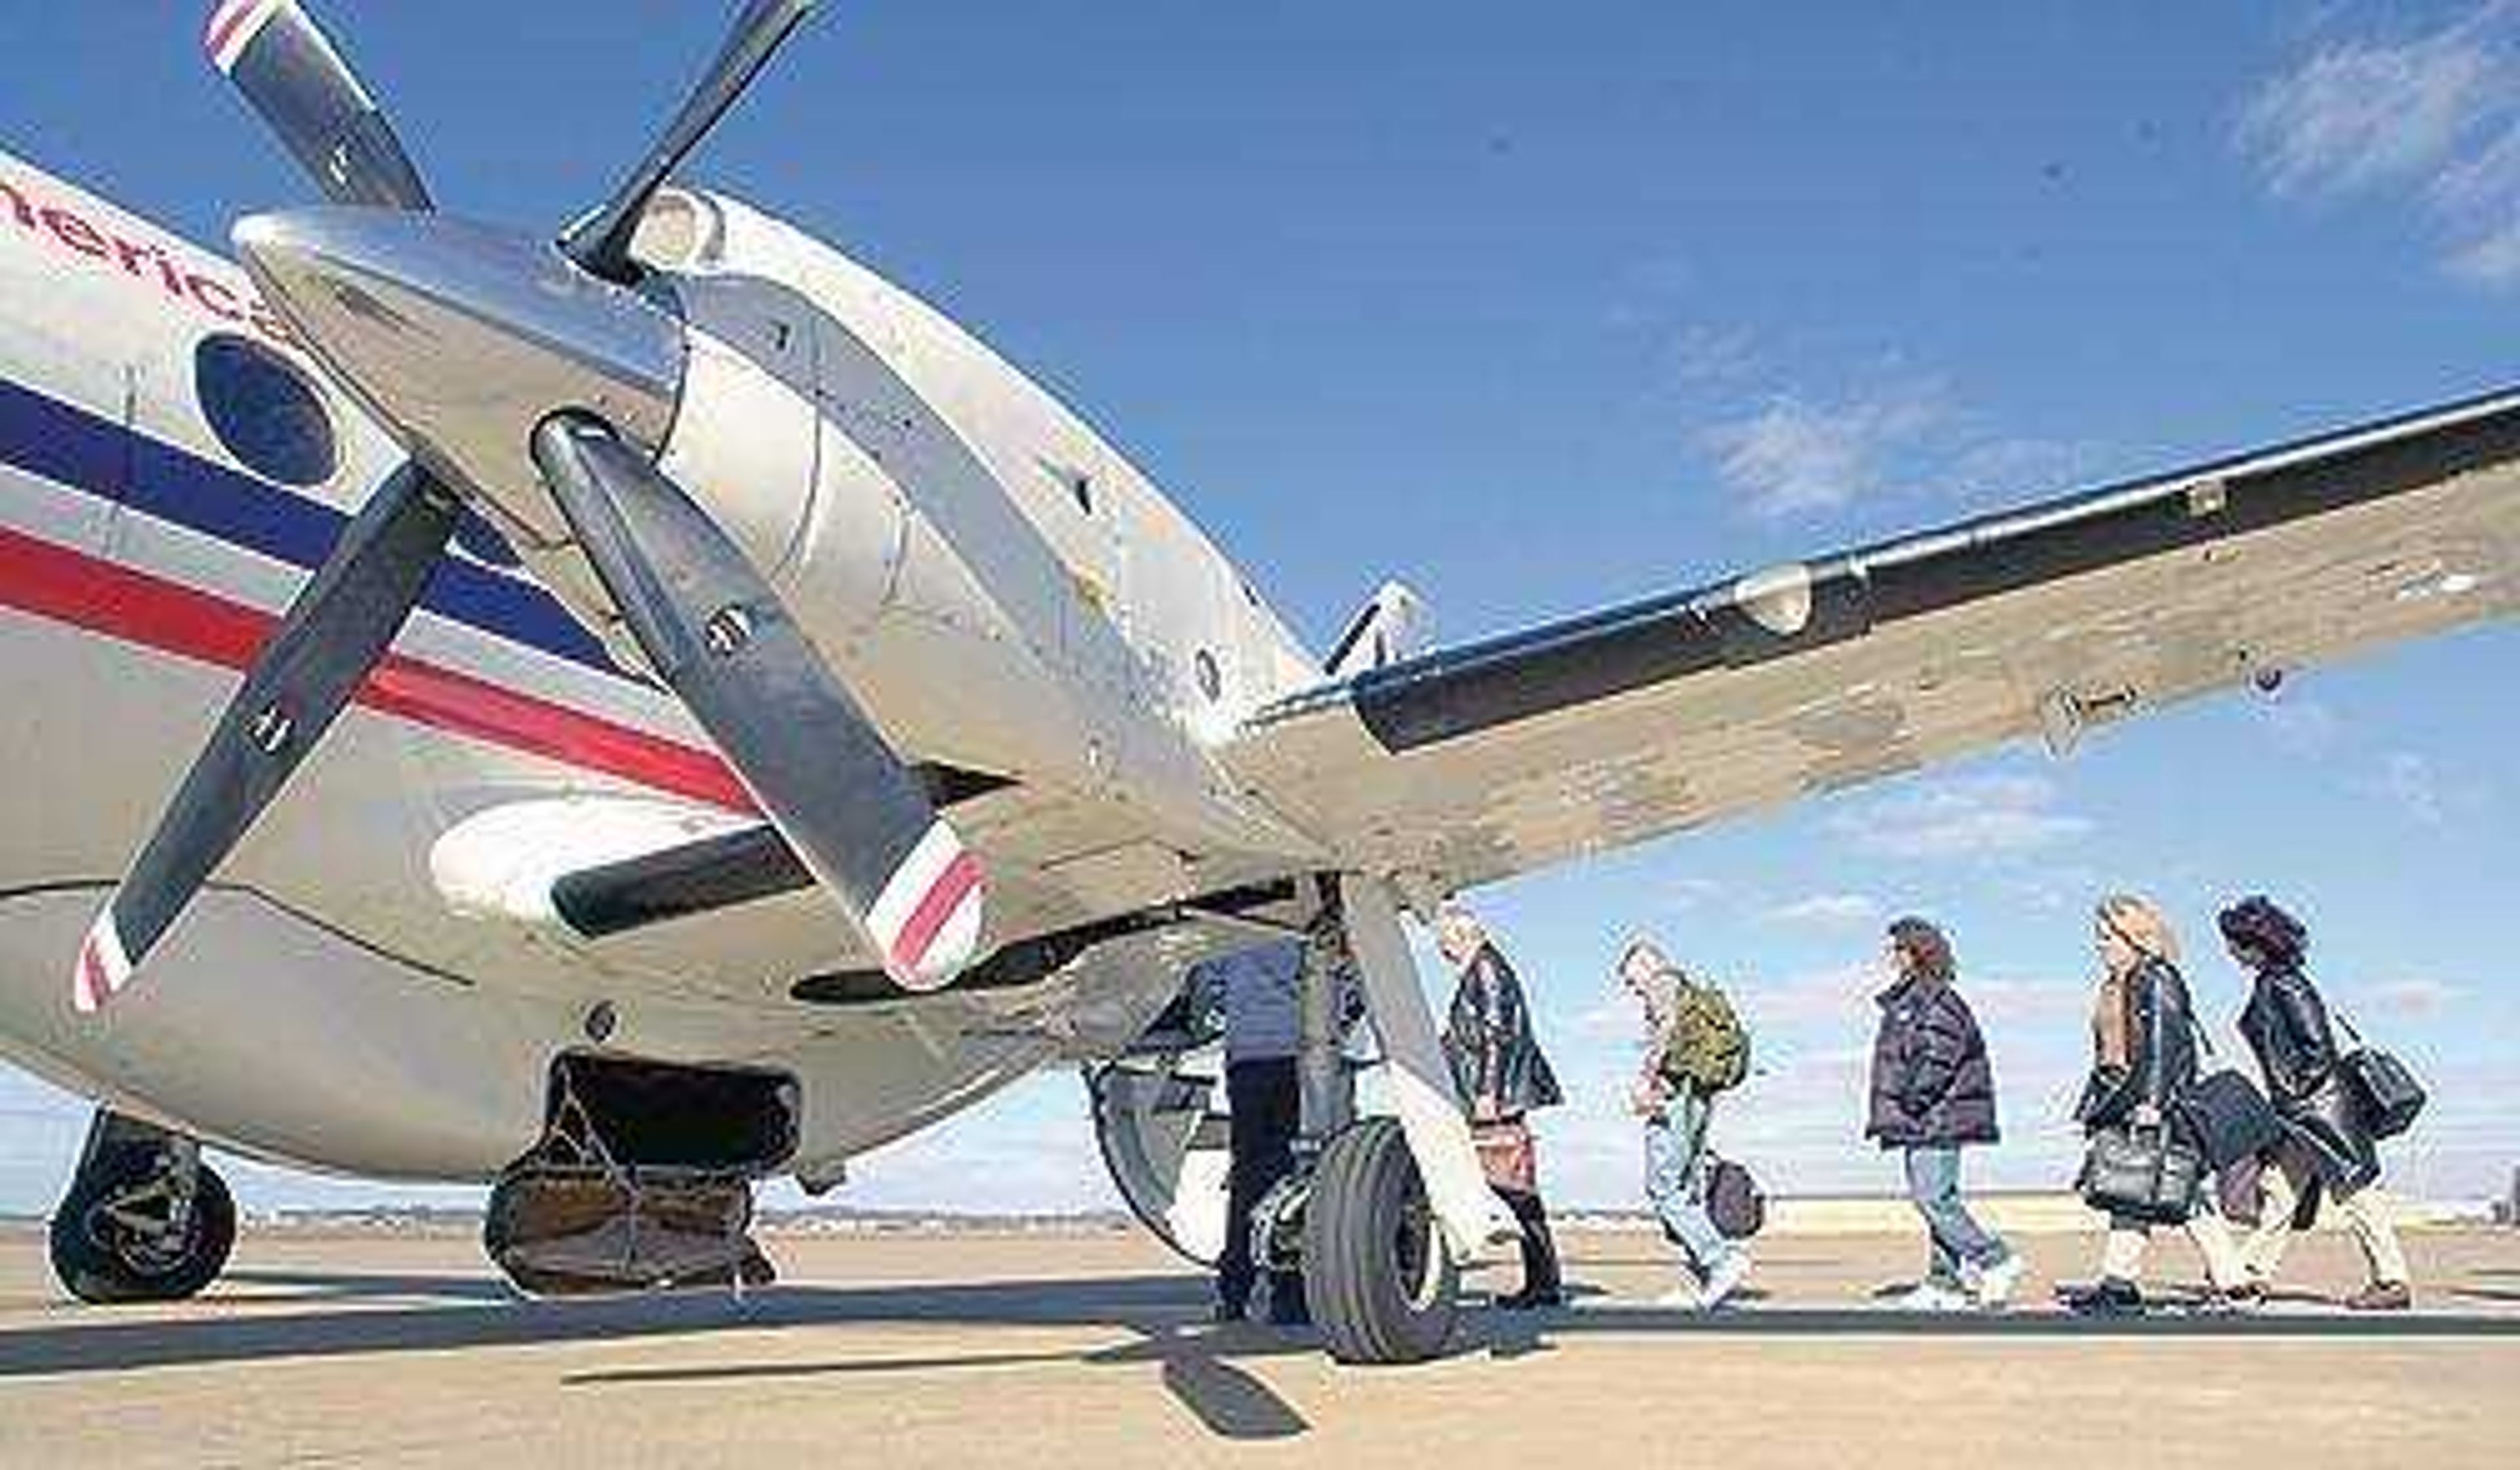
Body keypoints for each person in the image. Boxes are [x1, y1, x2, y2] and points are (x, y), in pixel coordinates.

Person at [2218, 896, 2414, 1311]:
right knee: (2279, 1190)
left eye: (2234, 943)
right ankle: (2251, 1272)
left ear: (2255, 944)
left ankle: (2392, 1280)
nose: (2230, 951)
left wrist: (2291, 1094)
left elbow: (2317, 1049)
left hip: (2319, 1111)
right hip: (2303, 1112)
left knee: (2357, 1193)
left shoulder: (2286, 985)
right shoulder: (2273, 982)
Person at [2061, 894, 2251, 1316]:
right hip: (2122, 1097)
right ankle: (2129, 1281)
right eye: (2099, 936)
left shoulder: (2156, 977)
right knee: (2139, 1187)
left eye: (2108, 936)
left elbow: (2166, 1044)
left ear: (2135, 937)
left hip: (2151, 1100)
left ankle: (2228, 1281)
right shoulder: (2117, 983)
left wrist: (2152, 1102)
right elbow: (2110, 1050)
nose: (2100, 945)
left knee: (2160, 1184)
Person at [1865, 917, 2026, 1311]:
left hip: (1937, 1116)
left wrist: (1912, 1101)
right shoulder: (1910, 998)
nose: (1890, 955)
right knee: (1938, 1200)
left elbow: (1938, 1056)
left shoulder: (1935, 999)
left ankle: (1996, 1259)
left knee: (1933, 1199)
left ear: (1916, 951)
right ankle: (1945, 1284)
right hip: (1925, 1116)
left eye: (1897, 947)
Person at [1436, 903, 1566, 1310]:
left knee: (1515, 1190)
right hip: (1491, 1095)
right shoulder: (1486, 968)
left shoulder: (1487, 969)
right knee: (1517, 1190)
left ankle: (1543, 1285)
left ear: (1462, 937)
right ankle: (1544, 1283)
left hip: (1493, 1098)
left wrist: (1488, 1090)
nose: (1443, 951)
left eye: (1445, 943)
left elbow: (1497, 1032)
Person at [1617, 937, 1754, 1311]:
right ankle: (1706, 1282)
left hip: (1675, 1094)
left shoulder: (1663, 984)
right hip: (1698, 1094)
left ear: (1646, 965)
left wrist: (1648, 1081)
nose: (1634, 990)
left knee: (1662, 1186)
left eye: (1632, 981)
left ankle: (1720, 1259)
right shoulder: (1689, 989)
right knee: (1688, 1187)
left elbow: (1666, 1031)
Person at [1193, 938, 1310, 1326]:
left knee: (1247, 1176)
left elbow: (1207, 985)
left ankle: (1234, 1294)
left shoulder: (1229, 935)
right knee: (1294, 1177)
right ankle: (1288, 1297)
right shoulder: (1299, 936)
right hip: (1295, 1056)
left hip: (1246, 1059)